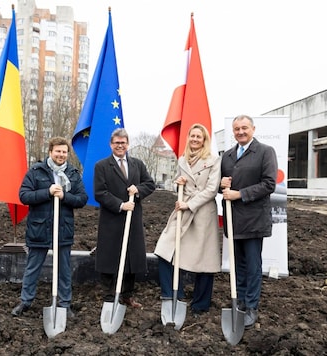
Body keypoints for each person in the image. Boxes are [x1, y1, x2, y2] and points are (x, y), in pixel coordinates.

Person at [11, 137, 88, 317]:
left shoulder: (73, 174)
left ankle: (64, 304)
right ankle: (25, 301)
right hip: (39, 229)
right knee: (33, 267)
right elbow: (24, 195)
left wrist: (64, 197)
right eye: (58, 151)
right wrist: (47, 192)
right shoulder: (36, 172)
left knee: (64, 270)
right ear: (50, 152)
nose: (61, 155)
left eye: (64, 152)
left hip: (63, 229)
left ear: (67, 154)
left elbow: (82, 199)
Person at [154, 124, 221, 316]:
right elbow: (179, 183)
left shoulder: (213, 160)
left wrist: (190, 204)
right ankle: (172, 294)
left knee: (204, 259)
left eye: (199, 137)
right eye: (192, 136)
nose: (195, 139)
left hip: (202, 213)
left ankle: (201, 304)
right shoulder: (182, 159)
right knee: (164, 249)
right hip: (182, 212)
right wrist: (178, 184)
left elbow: (211, 189)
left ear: (204, 140)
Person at [220, 115, 278, 329]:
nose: (240, 132)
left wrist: (240, 194)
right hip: (234, 221)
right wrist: (221, 184)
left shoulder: (265, 152)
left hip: (254, 220)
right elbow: (223, 188)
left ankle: (252, 306)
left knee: (253, 265)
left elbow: (269, 183)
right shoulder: (227, 156)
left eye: (244, 128)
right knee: (238, 265)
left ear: (253, 129)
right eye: (236, 129)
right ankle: (241, 301)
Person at [94, 128, 156, 308]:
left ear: (128, 144)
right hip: (112, 218)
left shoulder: (137, 164)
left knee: (131, 256)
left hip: (133, 218)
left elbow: (149, 184)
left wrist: (138, 191)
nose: (120, 146)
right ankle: (107, 295)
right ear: (111, 145)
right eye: (116, 143)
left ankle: (127, 295)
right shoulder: (102, 166)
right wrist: (120, 205)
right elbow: (100, 192)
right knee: (109, 255)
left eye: (123, 143)